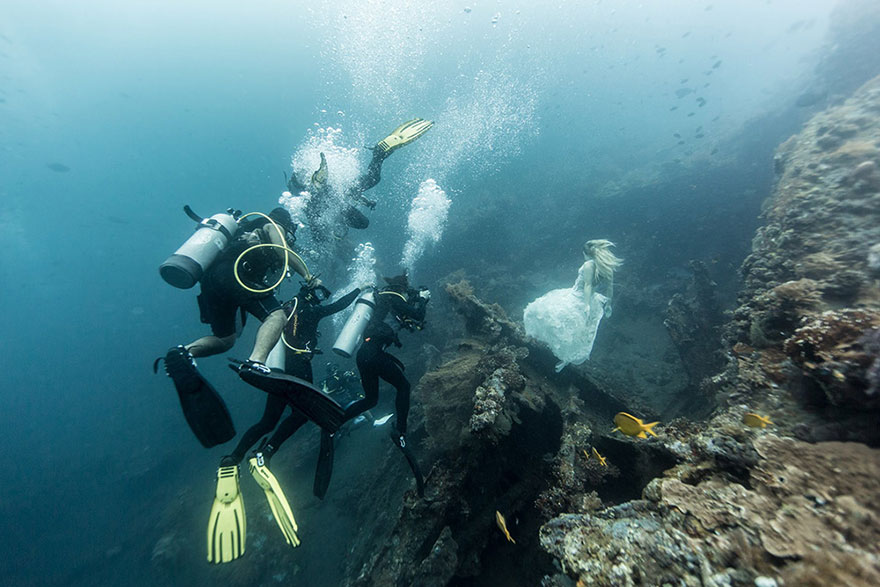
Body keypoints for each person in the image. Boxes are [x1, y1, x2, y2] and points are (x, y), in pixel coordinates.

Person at [206, 280, 362, 564]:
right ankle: (264, 455)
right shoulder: (311, 311)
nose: (320, 298)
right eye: (318, 292)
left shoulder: (286, 308)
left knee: (268, 419)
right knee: (301, 414)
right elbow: (337, 306)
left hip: (277, 368)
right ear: (310, 294)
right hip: (299, 367)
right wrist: (360, 289)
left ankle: (233, 458)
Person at [157, 207, 311, 449]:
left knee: (225, 338)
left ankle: (184, 352)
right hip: (235, 273)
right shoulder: (273, 224)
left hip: (211, 281)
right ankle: (256, 362)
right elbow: (285, 254)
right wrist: (310, 277)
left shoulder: (241, 233)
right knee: (276, 315)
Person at [285, 118, 434, 237]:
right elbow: (347, 194)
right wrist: (365, 201)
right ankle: (378, 155)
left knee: (325, 210)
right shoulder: (339, 210)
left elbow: (330, 202)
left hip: (320, 194)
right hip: (336, 193)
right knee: (372, 180)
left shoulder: (314, 210)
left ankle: (318, 182)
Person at [343, 273, 429, 446]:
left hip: (363, 355)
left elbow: (405, 317)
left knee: (370, 400)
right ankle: (401, 432)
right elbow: (418, 315)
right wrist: (422, 299)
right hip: (374, 354)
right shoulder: (394, 298)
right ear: (401, 288)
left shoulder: (382, 301)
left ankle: (337, 419)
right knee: (403, 386)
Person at [523, 239, 622, 372]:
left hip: (578, 297)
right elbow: (610, 288)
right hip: (592, 300)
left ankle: (540, 343)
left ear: (586, 254)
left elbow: (587, 285)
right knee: (577, 330)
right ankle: (562, 353)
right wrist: (608, 304)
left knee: (545, 313)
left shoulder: (589, 265)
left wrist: (586, 304)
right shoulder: (605, 266)